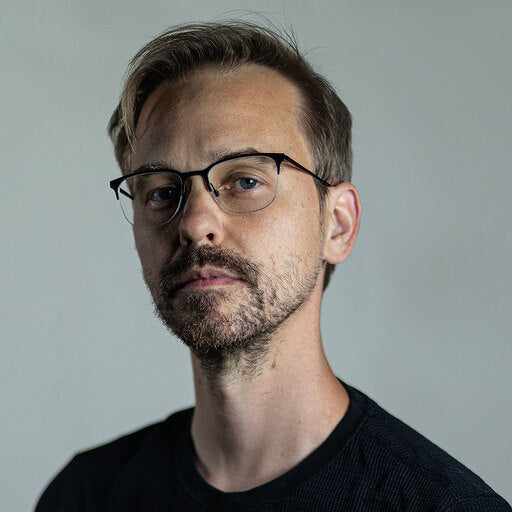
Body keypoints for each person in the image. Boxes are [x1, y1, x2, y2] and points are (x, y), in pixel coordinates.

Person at [35, 21, 510, 511]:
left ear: (338, 225)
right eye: (161, 191)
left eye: (245, 180)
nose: (196, 223)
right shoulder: (85, 495)